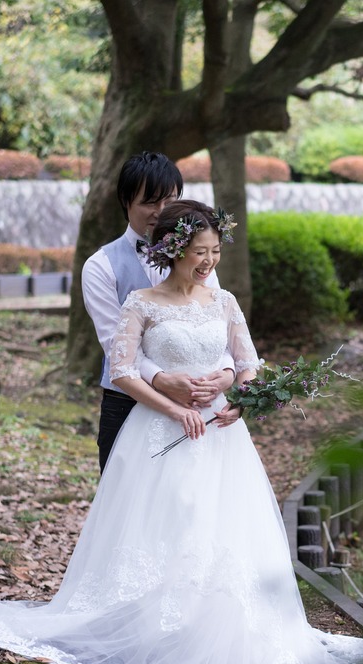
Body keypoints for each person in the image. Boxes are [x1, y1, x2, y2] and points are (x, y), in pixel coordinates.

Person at [0, 201, 363, 664]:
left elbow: (248, 363)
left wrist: (240, 400)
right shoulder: (141, 303)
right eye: (200, 251)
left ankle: (220, 629)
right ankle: (156, 627)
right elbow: (122, 372)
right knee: (165, 524)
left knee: (221, 527)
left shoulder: (224, 302)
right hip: (157, 434)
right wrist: (175, 408)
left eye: (215, 251)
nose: (209, 261)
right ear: (175, 250)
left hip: (220, 437)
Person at [80, 151, 234, 471]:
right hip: (127, 404)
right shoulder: (100, 267)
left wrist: (225, 372)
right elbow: (115, 346)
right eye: (150, 202)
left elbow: (216, 322)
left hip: (199, 405)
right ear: (126, 201)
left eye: (170, 201)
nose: (162, 212)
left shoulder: (199, 259)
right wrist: (161, 379)